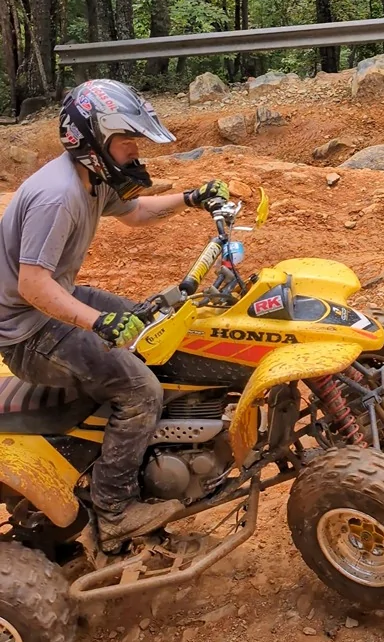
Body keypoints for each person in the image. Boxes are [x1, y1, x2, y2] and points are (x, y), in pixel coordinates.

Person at [0, 79, 229, 550]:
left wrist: (190, 198)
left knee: (151, 329)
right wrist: (97, 322)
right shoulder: (58, 195)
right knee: (139, 389)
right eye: (126, 142)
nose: (133, 152)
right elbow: (32, 284)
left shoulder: (93, 178)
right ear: (91, 140)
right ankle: (115, 509)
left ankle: (144, 448)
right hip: (27, 330)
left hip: (50, 303)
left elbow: (136, 212)